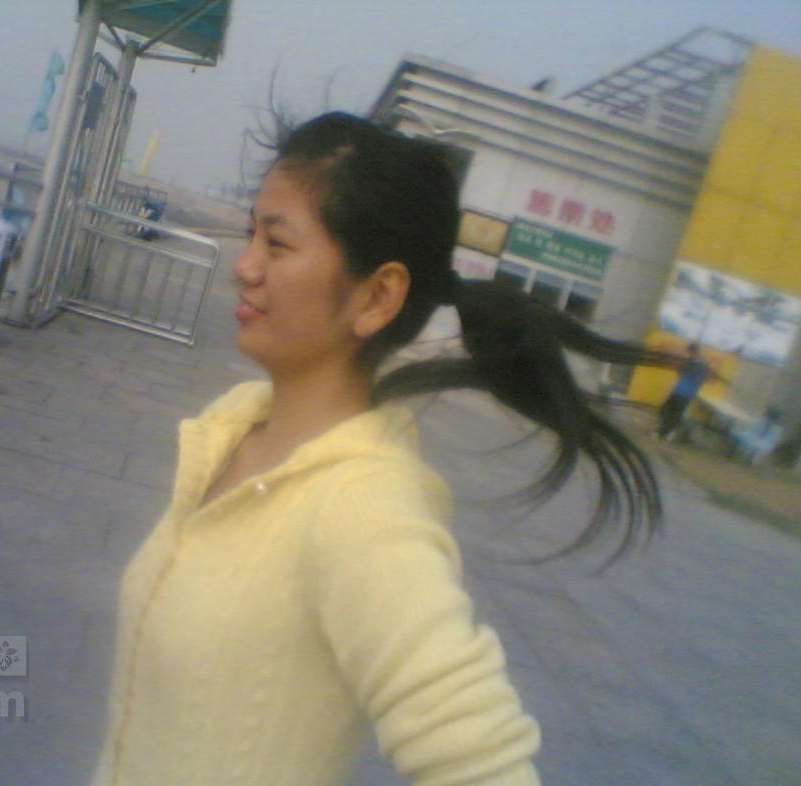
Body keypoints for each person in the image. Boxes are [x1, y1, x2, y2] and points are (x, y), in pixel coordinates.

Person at [91, 112, 679, 786]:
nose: (244, 266)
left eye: (277, 244)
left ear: (376, 296)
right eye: (252, 233)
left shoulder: (364, 508)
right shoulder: (233, 425)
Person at [657, 342, 711, 442]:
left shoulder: (701, 365)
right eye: (689, 352)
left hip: (686, 394)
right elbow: (681, 372)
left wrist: (682, 368)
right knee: (666, 411)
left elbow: (695, 377)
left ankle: (667, 434)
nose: (689, 354)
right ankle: (663, 431)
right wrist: (680, 367)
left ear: (695, 351)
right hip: (679, 390)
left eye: (691, 352)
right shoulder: (692, 362)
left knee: (675, 414)